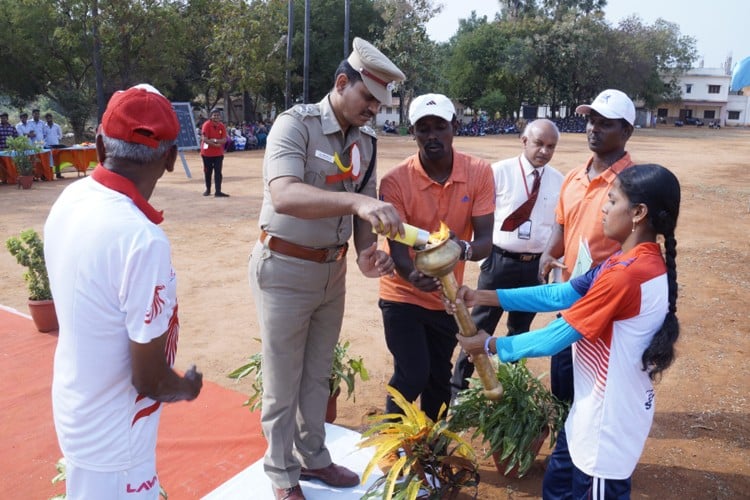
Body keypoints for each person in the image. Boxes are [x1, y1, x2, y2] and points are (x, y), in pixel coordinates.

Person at [449, 163, 680, 499]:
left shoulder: (628, 274)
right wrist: (482, 296)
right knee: (556, 488)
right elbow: (561, 294)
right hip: (586, 414)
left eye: (612, 201)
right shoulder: (624, 260)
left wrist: (492, 345)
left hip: (606, 428)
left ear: (638, 213)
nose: (603, 207)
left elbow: (561, 334)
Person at [248, 37, 405, 500]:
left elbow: (366, 206)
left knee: (317, 373)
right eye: (368, 100)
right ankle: (281, 474)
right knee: (282, 379)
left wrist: (363, 253)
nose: (373, 111)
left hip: (330, 273)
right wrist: (357, 200)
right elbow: (286, 195)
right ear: (342, 83)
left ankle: (313, 458)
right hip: (284, 267)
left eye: (379, 105)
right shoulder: (294, 125)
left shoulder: (366, 141)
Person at [44, 84, 203, 499]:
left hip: (79, 404)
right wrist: (185, 387)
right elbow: (148, 379)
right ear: (170, 159)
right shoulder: (141, 239)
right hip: (116, 436)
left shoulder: (71, 198)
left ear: (97, 144)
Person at [378, 93, 495, 422]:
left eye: (439, 126)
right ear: (412, 133)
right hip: (401, 293)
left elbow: (485, 241)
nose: (432, 135)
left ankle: (432, 450)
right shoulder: (395, 181)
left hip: (447, 297)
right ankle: (391, 444)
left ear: (454, 127)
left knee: (438, 381)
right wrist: (410, 275)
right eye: (423, 128)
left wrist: (463, 249)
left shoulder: (479, 172)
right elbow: (399, 252)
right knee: (412, 373)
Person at [450, 118, 564, 399]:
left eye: (551, 146)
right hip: (498, 262)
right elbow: (478, 217)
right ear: (524, 140)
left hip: (534, 267)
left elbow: (558, 228)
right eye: (539, 143)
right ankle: (457, 391)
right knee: (478, 326)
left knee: (520, 331)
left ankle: (510, 394)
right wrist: (483, 260)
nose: (544, 151)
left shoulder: (559, 182)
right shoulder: (497, 173)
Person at [539, 89, 636, 405]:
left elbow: (640, 247)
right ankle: (567, 440)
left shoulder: (634, 184)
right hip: (570, 295)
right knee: (563, 377)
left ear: (626, 132)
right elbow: (562, 224)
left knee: (597, 385)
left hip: (607, 301)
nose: (594, 128)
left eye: (605, 123)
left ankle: (585, 447)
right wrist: (549, 252)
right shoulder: (572, 177)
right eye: (591, 121)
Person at [200, 109, 229, 197]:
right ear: (211, 116)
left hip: (218, 154)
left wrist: (215, 140)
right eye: (214, 115)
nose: (216, 117)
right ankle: (208, 190)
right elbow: (204, 139)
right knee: (208, 172)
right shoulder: (206, 125)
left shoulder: (221, 126)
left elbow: (224, 139)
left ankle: (218, 191)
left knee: (218, 172)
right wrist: (215, 145)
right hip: (207, 153)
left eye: (218, 115)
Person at [43, 113, 66, 178]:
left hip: (56, 145)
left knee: (57, 159)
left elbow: (60, 135)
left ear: (52, 118)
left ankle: (58, 173)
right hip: (47, 146)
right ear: (46, 119)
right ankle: (48, 174)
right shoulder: (44, 127)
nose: (49, 119)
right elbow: (43, 136)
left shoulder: (57, 126)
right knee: (48, 160)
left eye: (50, 117)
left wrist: (56, 138)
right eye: (47, 118)